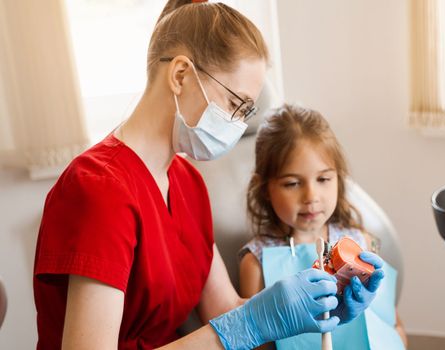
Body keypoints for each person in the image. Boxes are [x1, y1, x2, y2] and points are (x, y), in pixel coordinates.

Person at [33, 2, 384, 349]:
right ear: (181, 75)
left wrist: (315, 305)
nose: (239, 124)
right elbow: (238, 327)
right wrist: (253, 321)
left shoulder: (187, 182)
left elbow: (227, 311)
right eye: (235, 104)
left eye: (247, 111)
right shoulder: (99, 190)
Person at [239, 104, 408, 349]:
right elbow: (255, 343)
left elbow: (393, 326)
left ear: (339, 178)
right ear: (265, 188)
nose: (311, 196)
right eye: (292, 183)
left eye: (323, 179)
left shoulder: (360, 245)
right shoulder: (256, 261)